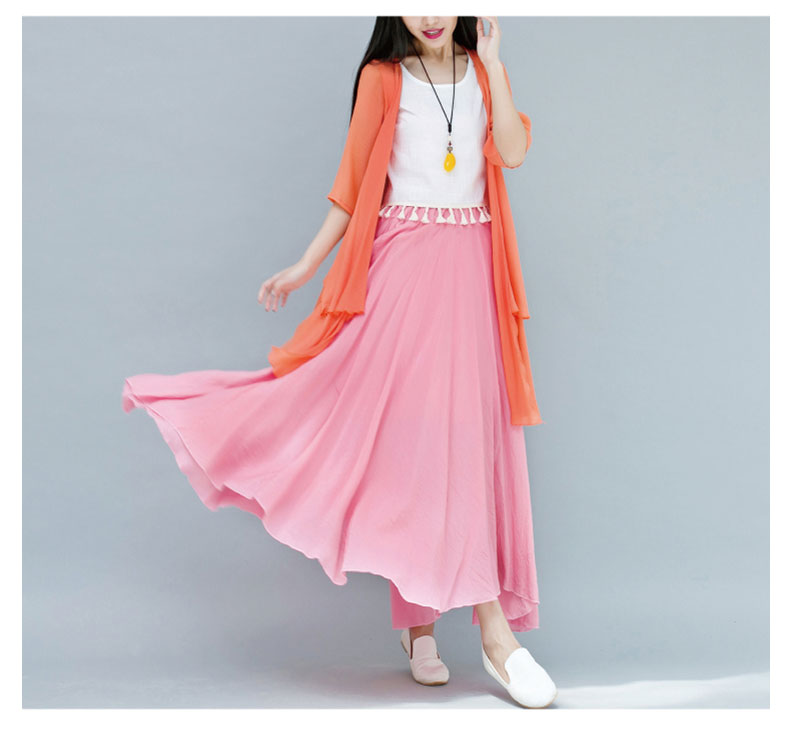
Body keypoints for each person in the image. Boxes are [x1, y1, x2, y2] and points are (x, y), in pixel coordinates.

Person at [122, 15, 557, 708]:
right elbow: (354, 188)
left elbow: (512, 150)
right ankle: (449, 629)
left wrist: (497, 66)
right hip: (402, 270)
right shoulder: (382, 79)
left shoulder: (482, 73)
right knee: (408, 444)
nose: (430, 14)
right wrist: (304, 266)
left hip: (471, 276)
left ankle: (473, 630)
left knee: (465, 442)